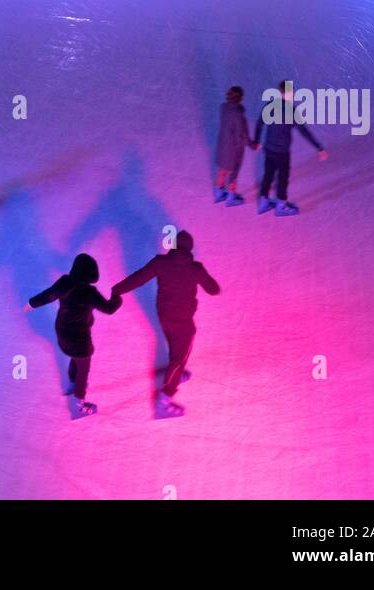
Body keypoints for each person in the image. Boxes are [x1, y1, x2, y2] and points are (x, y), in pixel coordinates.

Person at [112, 231, 219, 417]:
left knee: (173, 343)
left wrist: (117, 289)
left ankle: (174, 374)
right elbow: (213, 289)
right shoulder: (195, 268)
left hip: (164, 315)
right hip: (184, 320)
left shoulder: (160, 262)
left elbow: (138, 278)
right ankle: (165, 399)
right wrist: (206, 278)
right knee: (181, 356)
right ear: (190, 248)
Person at [26, 254, 122, 418]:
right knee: (83, 368)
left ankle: (72, 382)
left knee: (74, 356)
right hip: (79, 338)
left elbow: (48, 295)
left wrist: (31, 304)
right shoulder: (89, 292)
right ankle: (80, 404)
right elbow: (109, 309)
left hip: (62, 331)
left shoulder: (65, 282)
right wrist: (116, 298)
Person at [253, 80, 328, 216]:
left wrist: (256, 141)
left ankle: (264, 202)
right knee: (283, 177)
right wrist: (319, 148)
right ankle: (281, 205)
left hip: (269, 149)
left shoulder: (269, 106)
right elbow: (304, 131)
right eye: (292, 92)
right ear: (287, 93)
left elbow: (259, 124)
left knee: (268, 174)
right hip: (282, 152)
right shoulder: (292, 111)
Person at [213, 85, 257, 205]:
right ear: (240, 98)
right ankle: (231, 197)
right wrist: (254, 146)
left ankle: (219, 192)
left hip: (222, 146)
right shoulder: (239, 116)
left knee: (222, 170)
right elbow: (242, 136)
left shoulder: (223, 107)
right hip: (234, 150)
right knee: (233, 173)